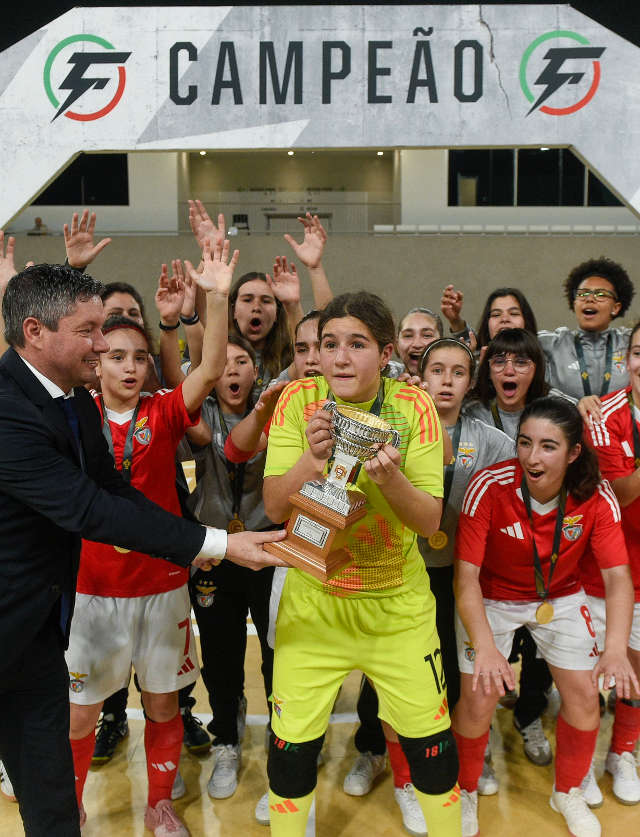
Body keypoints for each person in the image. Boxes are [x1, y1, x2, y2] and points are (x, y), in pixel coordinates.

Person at [0, 262, 286, 837]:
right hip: (35, 607)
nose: (102, 345)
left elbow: (110, 487)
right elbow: (89, 510)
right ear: (35, 332)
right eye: (89, 332)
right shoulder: (10, 411)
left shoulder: (69, 398)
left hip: (61, 616)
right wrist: (217, 543)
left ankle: (111, 808)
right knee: (65, 730)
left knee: (57, 777)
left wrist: (202, 542)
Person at [262, 291, 462, 837]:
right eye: (329, 344)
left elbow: (429, 522)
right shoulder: (298, 400)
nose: (340, 358)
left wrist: (389, 478)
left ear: (386, 353)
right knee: (291, 749)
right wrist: (312, 459)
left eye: (357, 344)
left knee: (431, 745)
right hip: (314, 606)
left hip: (397, 608)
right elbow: (275, 507)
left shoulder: (414, 406)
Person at [341, 338, 514, 836]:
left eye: (458, 372)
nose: (446, 381)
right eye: (437, 370)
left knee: (455, 678)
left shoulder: (491, 440)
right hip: (398, 571)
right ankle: (386, 762)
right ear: (421, 372)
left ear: (471, 381)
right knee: (389, 678)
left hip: (461, 573)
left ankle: (463, 764)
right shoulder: (393, 425)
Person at [452, 396, 638, 837]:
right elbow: (465, 579)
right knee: (478, 698)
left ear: (574, 453)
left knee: (585, 696)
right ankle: (466, 788)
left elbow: (617, 577)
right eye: (525, 442)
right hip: (492, 597)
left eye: (548, 446)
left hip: (562, 595)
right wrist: (485, 648)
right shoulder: (489, 485)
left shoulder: (596, 494)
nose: (532, 457)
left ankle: (567, 791)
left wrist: (615, 649)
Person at [582, 321, 640, 806]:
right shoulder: (604, 415)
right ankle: (579, 766)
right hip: (601, 575)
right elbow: (619, 493)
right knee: (584, 680)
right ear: (626, 360)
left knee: (636, 673)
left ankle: (621, 753)